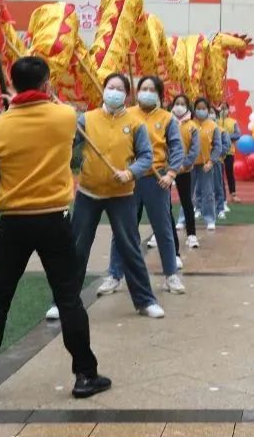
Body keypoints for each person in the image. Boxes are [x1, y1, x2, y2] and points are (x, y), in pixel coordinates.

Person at [0, 56, 111, 402]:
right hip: (53, 220)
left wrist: (6, 204)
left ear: (12, 85)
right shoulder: (65, 118)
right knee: (68, 298)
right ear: (47, 84)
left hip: (12, 222)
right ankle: (85, 374)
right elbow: (69, 124)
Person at [45, 72, 164, 321]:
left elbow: (146, 157)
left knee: (129, 247)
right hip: (88, 193)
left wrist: (130, 173)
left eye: (120, 89)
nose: (114, 92)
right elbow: (66, 142)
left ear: (127, 96)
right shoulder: (87, 119)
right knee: (77, 248)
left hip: (122, 195)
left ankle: (145, 301)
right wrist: (61, 119)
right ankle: (63, 302)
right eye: (111, 87)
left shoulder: (135, 123)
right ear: (104, 89)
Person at [98, 76, 185, 297]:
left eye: (151, 89)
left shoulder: (167, 118)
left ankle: (171, 275)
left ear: (159, 94)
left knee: (163, 229)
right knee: (123, 229)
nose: (147, 92)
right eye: (143, 88)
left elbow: (177, 148)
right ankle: (114, 275)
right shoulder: (126, 114)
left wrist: (171, 174)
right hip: (129, 178)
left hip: (156, 179)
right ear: (136, 92)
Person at [170, 95, 201, 250]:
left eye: (183, 104)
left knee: (186, 201)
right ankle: (160, 234)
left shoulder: (192, 126)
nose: (179, 106)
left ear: (188, 107)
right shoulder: (167, 122)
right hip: (167, 169)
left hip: (184, 169)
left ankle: (191, 235)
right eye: (177, 103)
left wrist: (184, 164)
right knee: (163, 203)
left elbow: (195, 149)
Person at [191, 97, 223, 231]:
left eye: (204, 108)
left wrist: (211, 161)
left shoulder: (213, 126)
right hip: (190, 165)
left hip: (206, 165)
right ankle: (183, 219)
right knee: (187, 193)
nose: (201, 111)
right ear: (194, 109)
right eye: (198, 108)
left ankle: (210, 219)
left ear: (208, 110)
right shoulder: (189, 124)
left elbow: (218, 146)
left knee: (208, 192)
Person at [218, 103, 241, 205]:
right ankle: (220, 196)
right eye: (221, 108)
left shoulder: (233, 122)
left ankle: (233, 194)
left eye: (225, 108)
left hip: (229, 151)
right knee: (219, 174)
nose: (223, 110)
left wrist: (226, 136)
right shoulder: (215, 120)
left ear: (228, 109)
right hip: (217, 152)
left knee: (229, 173)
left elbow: (237, 134)